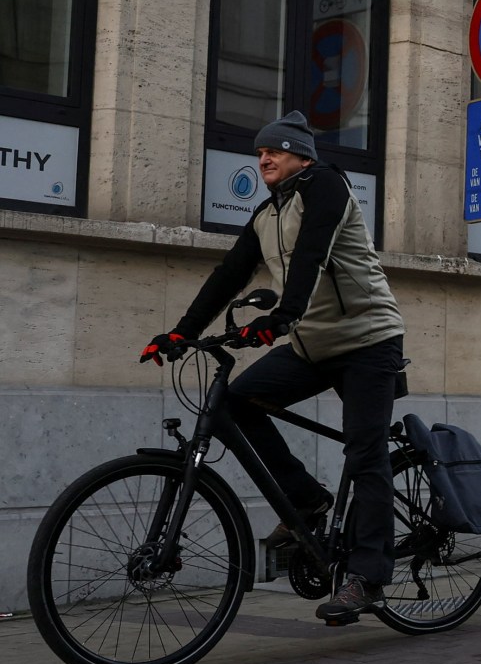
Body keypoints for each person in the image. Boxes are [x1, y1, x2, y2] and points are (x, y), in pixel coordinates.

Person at [142, 112, 406, 622]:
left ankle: (369, 576)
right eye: (260, 152)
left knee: (365, 451)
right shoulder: (268, 212)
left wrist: (284, 316)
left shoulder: (326, 186)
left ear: (302, 157)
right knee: (236, 403)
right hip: (312, 345)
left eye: (275, 151)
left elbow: (312, 254)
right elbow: (230, 273)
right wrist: (181, 332)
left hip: (368, 341)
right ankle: (306, 500)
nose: (264, 158)